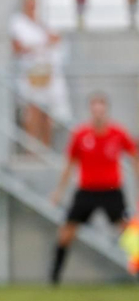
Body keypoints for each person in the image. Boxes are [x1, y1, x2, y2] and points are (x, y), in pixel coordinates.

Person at [50, 94, 137, 284]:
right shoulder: (81, 135)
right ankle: (54, 279)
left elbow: (134, 156)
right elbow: (69, 165)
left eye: (101, 109)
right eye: (95, 109)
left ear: (106, 111)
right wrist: (59, 191)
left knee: (130, 234)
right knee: (66, 232)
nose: (98, 113)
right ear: (91, 111)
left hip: (111, 191)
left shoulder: (117, 133)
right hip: (86, 192)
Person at [9, 0, 71, 147]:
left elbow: (56, 39)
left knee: (47, 112)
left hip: (48, 72)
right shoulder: (18, 22)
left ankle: (45, 147)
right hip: (29, 74)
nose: (33, 7)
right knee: (32, 110)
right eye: (30, 4)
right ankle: (32, 148)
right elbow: (18, 48)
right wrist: (42, 45)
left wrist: (39, 43)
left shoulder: (45, 21)